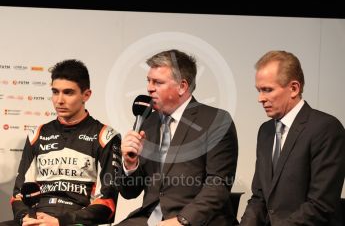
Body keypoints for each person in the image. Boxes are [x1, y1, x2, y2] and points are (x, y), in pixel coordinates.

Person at [116, 49, 238, 226]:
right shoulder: (147, 121)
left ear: (182, 86)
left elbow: (218, 185)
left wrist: (183, 220)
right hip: (148, 219)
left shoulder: (215, 121)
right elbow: (129, 192)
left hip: (195, 221)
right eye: (148, 81)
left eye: (157, 82)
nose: (149, 88)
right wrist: (130, 165)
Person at [0, 59, 121, 226]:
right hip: (37, 219)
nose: (59, 100)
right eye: (55, 92)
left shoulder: (105, 136)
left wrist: (60, 222)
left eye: (68, 92)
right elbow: (18, 194)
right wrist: (27, 217)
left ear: (86, 95)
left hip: (75, 221)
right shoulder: (38, 134)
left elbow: (107, 203)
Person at [240, 50, 345, 225]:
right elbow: (259, 198)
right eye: (259, 90)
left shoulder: (326, 128)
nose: (260, 98)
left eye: (267, 90)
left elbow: (320, 205)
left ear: (294, 88)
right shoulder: (265, 131)